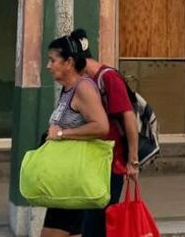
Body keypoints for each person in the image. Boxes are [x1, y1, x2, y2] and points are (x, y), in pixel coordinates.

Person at [40, 32, 111, 237]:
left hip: (73, 181)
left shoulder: (83, 88)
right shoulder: (68, 89)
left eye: (53, 60)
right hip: (64, 180)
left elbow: (101, 126)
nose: (48, 66)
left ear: (69, 62)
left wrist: (62, 133)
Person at [69, 28, 139, 237]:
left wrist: (132, 161)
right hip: (94, 165)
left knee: (96, 226)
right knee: (91, 226)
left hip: (111, 165)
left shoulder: (108, 78)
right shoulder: (87, 82)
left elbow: (129, 118)